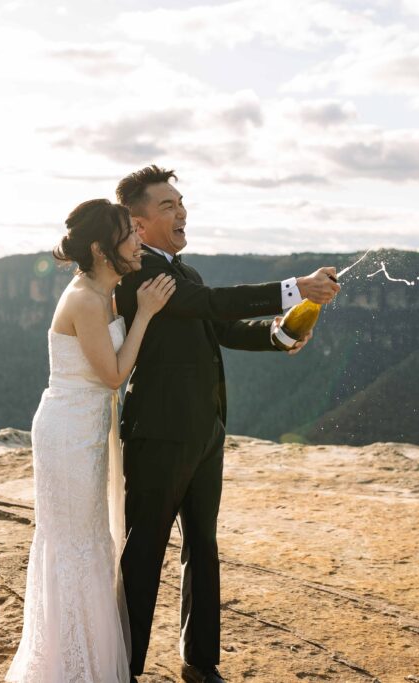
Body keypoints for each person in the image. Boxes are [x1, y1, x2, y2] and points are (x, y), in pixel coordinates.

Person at [113, 166, 340, 683]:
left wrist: (278, 338)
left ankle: (200, 661)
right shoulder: (140, 272)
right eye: (167, 205)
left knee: (203, 545)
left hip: (206, 430)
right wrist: (294, 287)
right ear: (138, 223)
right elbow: (215, 304)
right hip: (159, 432)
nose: (181, 211)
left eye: (181, 202)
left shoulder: (183, 271)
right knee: (144, 549)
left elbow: (218, 325)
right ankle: (124, 666)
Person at [6, 199, 176, 683]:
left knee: (89, 539)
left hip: (87, 431)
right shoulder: (84, 299)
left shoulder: (106, 289)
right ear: (103, 250)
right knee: (74, 543)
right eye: (130, 235)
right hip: (67, 433)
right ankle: (71, 666)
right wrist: (144, 315)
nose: (139, 240)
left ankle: (83, 658)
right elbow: (113, 374)